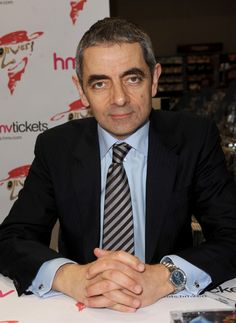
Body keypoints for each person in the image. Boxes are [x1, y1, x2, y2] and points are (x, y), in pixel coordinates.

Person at [0, 17, 236, 313]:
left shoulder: (194, 137)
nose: (120, 98)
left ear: (155, 79)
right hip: (81, 309)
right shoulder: (56, 147)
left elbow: (231, 235)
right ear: (81, 90)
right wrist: (69, 276)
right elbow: (12, 238)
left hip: (164, 304)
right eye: (100, 83)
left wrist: (166, 276)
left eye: (133, 78)